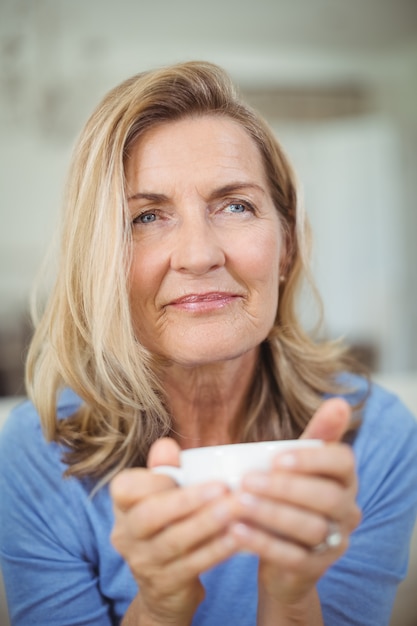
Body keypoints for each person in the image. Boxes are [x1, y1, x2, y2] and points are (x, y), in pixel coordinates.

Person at [0, 61, 416, 626]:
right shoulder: (34, 453)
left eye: (235, 205)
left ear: (286, 244)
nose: (199, 255)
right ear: (100, 262)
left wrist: (293, 597)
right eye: (147, 216)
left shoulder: (377, 438)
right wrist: (161, 606)